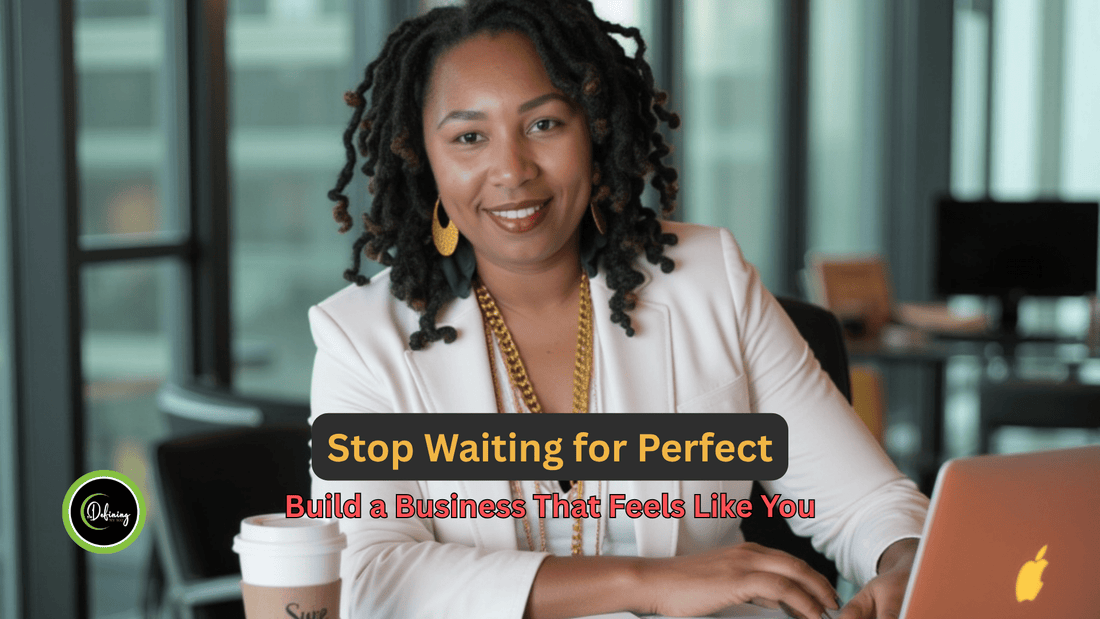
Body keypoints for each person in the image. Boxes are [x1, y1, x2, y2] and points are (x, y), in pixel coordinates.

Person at [310, 1, 928, 618]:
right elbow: (369, 574)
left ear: (595, 130)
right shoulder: (360, 339)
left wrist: (905, 563)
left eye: (545, 124)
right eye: (469, 137)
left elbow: (864, 504)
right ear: (425, 161)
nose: (511, 171)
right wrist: (648, 582)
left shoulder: (709, 279)